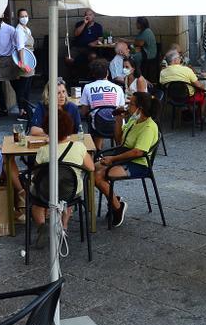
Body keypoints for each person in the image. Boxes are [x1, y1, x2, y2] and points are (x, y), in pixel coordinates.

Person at [93, 92, 161, 227]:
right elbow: (119, 140)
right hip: (124, 157)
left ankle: (117, 208)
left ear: (140, 108)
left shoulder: (148, 127)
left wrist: (113, 159)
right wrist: (118, 119)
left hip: (138, 164)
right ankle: (115, 201)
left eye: (131, 103)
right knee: (92, 168)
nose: (128, 105)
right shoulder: (134, 120)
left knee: (98, 176)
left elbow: (138, 152)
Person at [30, 107, 94, 246]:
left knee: (35, 203)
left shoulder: (43, 151)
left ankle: (42, 226)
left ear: (47, 129)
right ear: (69, 128)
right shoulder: (79, 147)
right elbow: (91, 168)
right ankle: (64, 227)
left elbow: (36, 173)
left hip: (45, 193)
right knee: (69, 187)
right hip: (70, 192)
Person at [81, 59, 125, 148]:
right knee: (117, 118)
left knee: (95, 116)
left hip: (98, 126)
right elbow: (121, 110)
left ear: (93, 74)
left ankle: (98, 152)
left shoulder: (87, 87)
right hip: (115, 125)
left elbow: (84, 111)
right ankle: (119, 148)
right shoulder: (118, 88)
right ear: (107, 73)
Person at [160, 49, 206, 113]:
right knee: (204, 92)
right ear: (175, 60)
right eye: (179, 58)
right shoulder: (186, 70)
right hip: (188, 97)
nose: (180, 59)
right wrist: (204, 88)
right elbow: (198, 85)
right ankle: (199, 117)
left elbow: (162, 84)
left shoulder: (162, 72)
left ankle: (191, 113)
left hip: (172, 98)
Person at [13, 8, 36, 106]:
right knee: (23, 87)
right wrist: (23, 63)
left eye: (26, 16)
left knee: (27, 88)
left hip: (30, 58)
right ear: (18, 18)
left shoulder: (27, 29)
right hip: (24, 60)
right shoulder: (19, 30)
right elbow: (20, 47)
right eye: (22, 16)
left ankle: (26, 109)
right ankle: (22, 110)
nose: (24, 18)